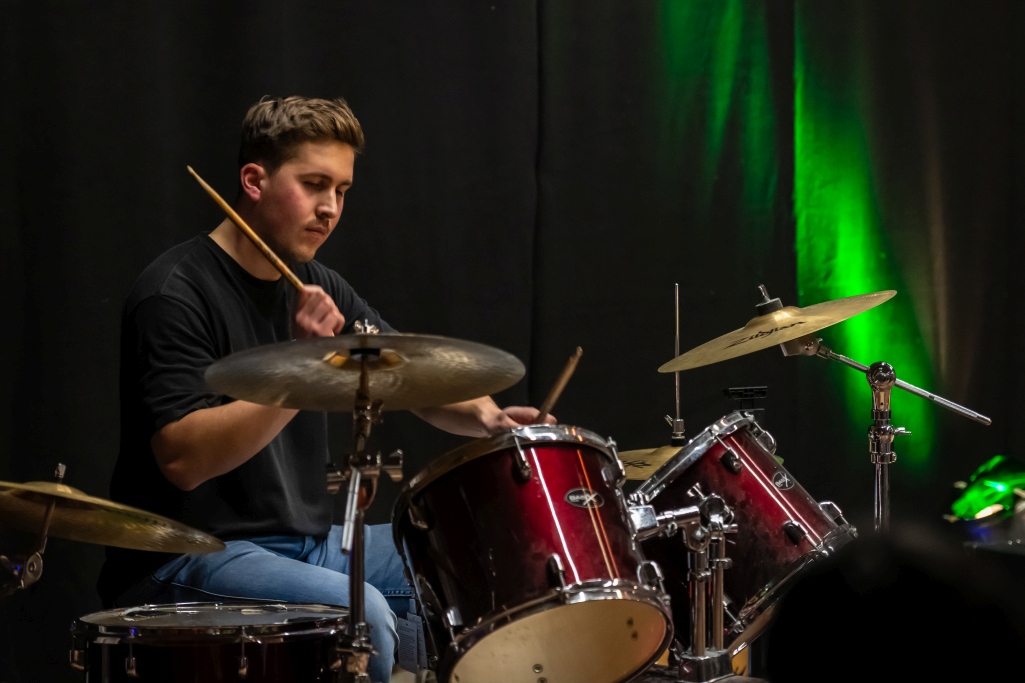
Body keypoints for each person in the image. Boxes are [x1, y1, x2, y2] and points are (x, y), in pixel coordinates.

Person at [97, 96, 553, 683]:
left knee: (478, 559)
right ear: (254, 181)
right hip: (190, 556)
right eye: (314, 185)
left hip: (307, 543)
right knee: (362, 616)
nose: (330, 208)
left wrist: (489, 419)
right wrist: (303, 368)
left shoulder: (319, 283)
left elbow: (407, 371)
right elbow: (183, 460)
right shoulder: (174, 293)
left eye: (341, 190)